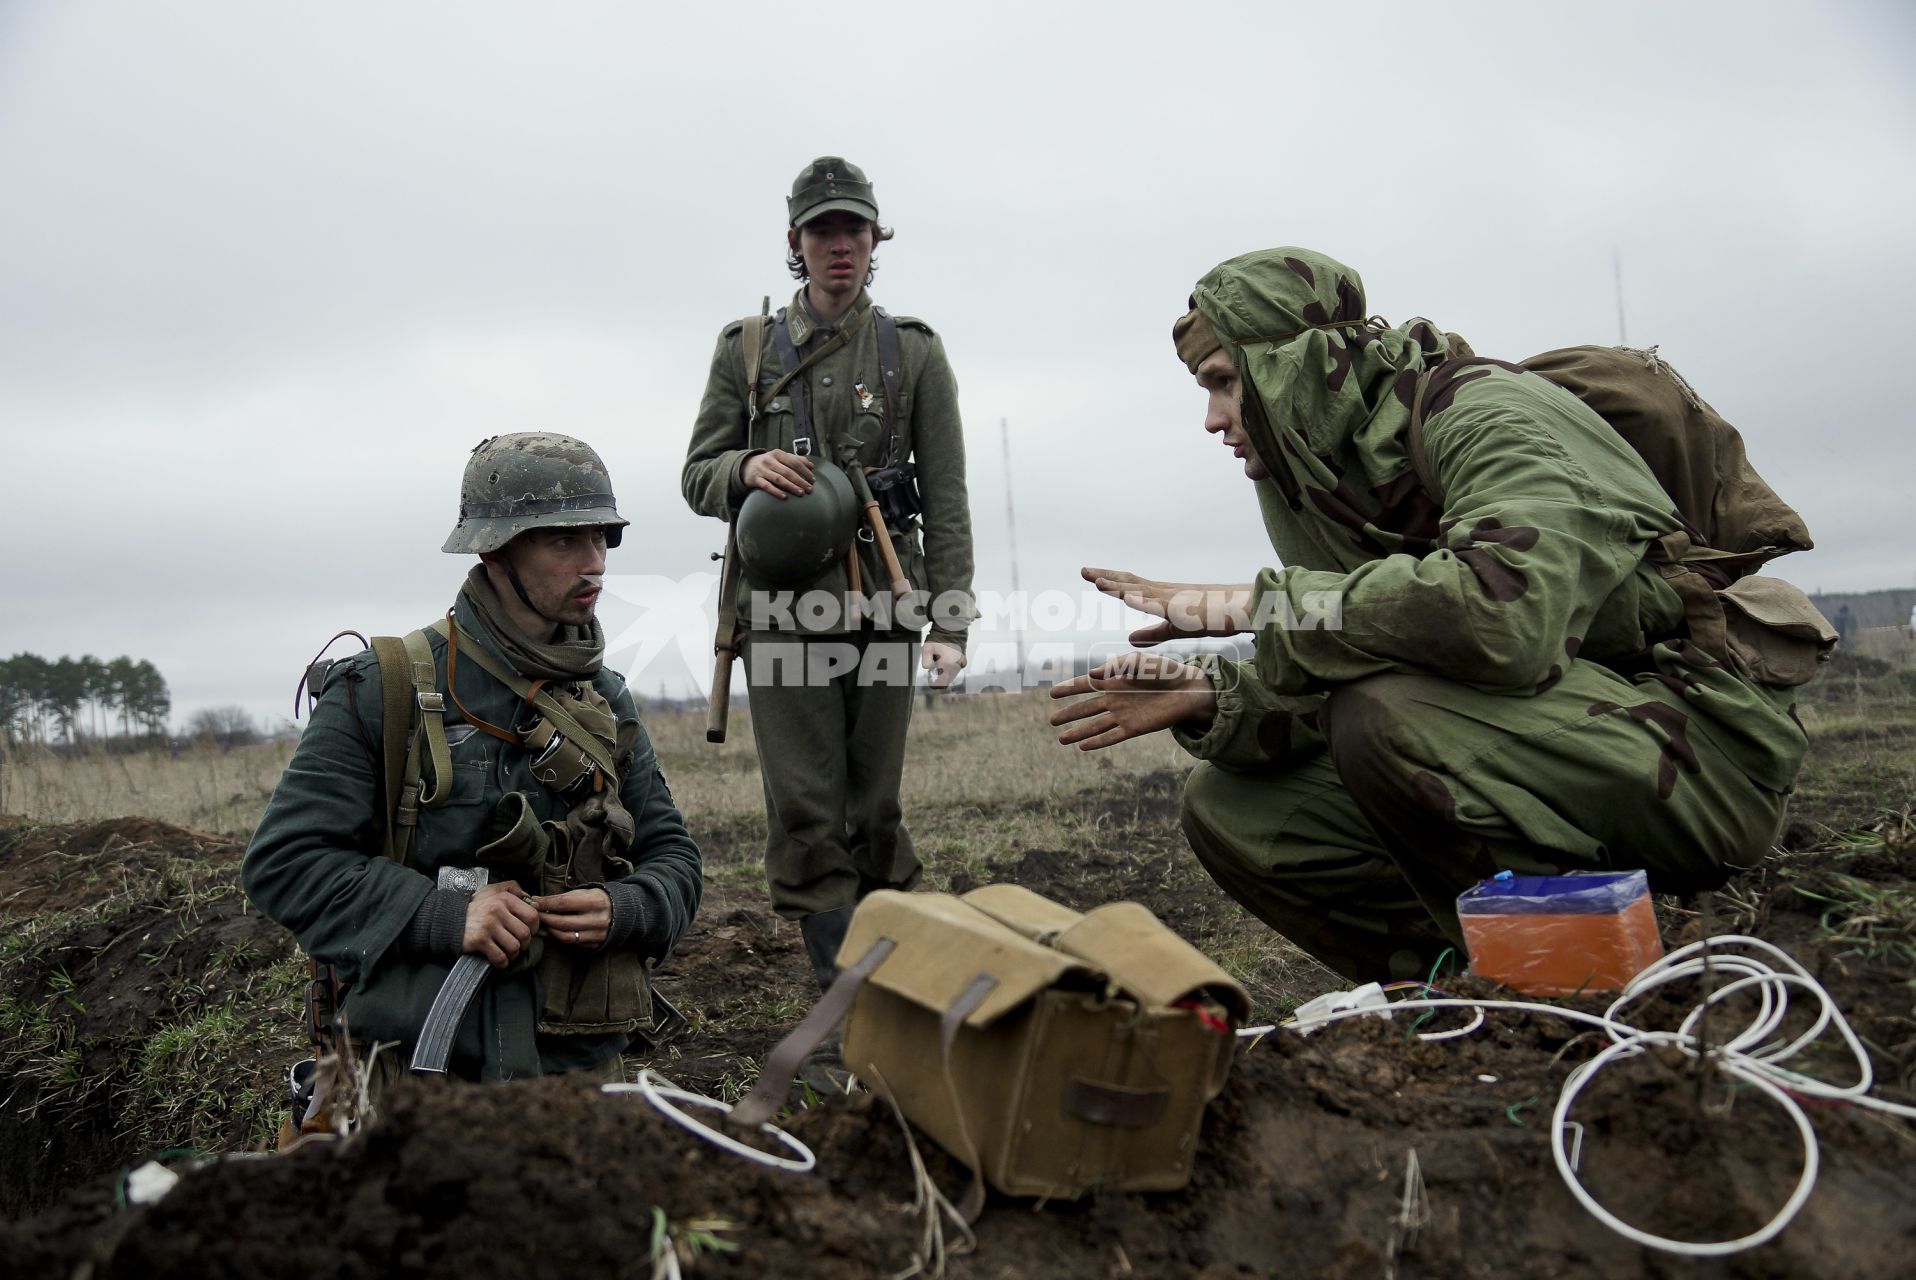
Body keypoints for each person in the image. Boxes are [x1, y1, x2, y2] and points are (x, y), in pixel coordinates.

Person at [1049, 248, 1812, 981]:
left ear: (1291, 372)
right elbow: (1371, 656)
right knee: (1238, 807)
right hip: (1549, 741)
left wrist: (1255, 604)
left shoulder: (1490, 415)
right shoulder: (1332, 489)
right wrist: (1216, 697)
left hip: (1698, 768)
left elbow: (1503, 621)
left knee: (1385, 714)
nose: (1214, 419)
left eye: (1225, 383)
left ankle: (1578, 979)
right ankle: (1465, 993)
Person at [244, 433, 702, 1095]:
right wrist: (441, 914)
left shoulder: (603, 699)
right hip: (418, 1078)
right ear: (495, 548)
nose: (595, 563)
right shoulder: (384, 686)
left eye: (602, 538)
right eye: (563, 541)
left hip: (578, 1078)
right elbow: (284, 863)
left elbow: (674, 856)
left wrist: (630, 907)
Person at [682, 156, 974, 988]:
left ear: (875, 239)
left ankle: (900, 983)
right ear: (794, 243)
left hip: (884, 603)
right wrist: (744, 470)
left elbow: (947, 496)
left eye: (854, 229)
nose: (839, 246)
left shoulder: (913, 352)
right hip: (781, 610)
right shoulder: (745, 351)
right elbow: (697, 474)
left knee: (873, 806)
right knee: (808, 811)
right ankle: (840, 1005)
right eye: (822, 231)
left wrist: (949, 622)